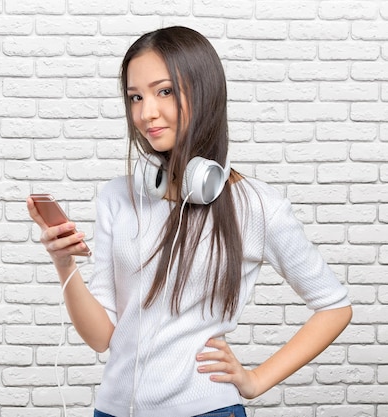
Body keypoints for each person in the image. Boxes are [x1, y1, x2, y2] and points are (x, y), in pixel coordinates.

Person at [26, 26, 352, 417]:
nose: (147, 113)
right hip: (113, 410)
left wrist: (255, 380)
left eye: (164, 91)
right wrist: (64, 264)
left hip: (207, 410)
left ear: (203, 91)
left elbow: (334, 306)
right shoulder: (117, 197)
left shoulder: (255, 205)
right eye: (135, 97)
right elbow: (101, 338)